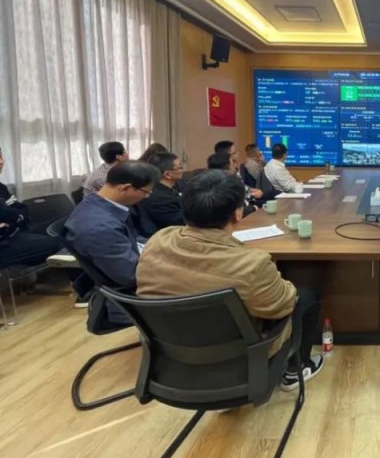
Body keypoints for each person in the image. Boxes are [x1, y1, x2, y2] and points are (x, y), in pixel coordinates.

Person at [136, 170, 324, 390]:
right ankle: (294, 370)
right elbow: (284, 304)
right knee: (306, 296)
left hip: (170, 351)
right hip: (237, 354)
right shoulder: (251, 264)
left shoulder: (157, 242)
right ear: (237, 214)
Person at [65, 161, 160, 323]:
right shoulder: (99, 227)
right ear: (125, 188)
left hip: (136, 273)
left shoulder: (98, 204)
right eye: (146, 192)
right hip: (131, 298)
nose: (146, 197)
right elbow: (131, 275)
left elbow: (133, 241)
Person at [133, 152, 185, 237]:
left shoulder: (173, 186)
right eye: (180, 167)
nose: (182, 170)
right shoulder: (159, 199)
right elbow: (181, 223)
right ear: (167, 174)